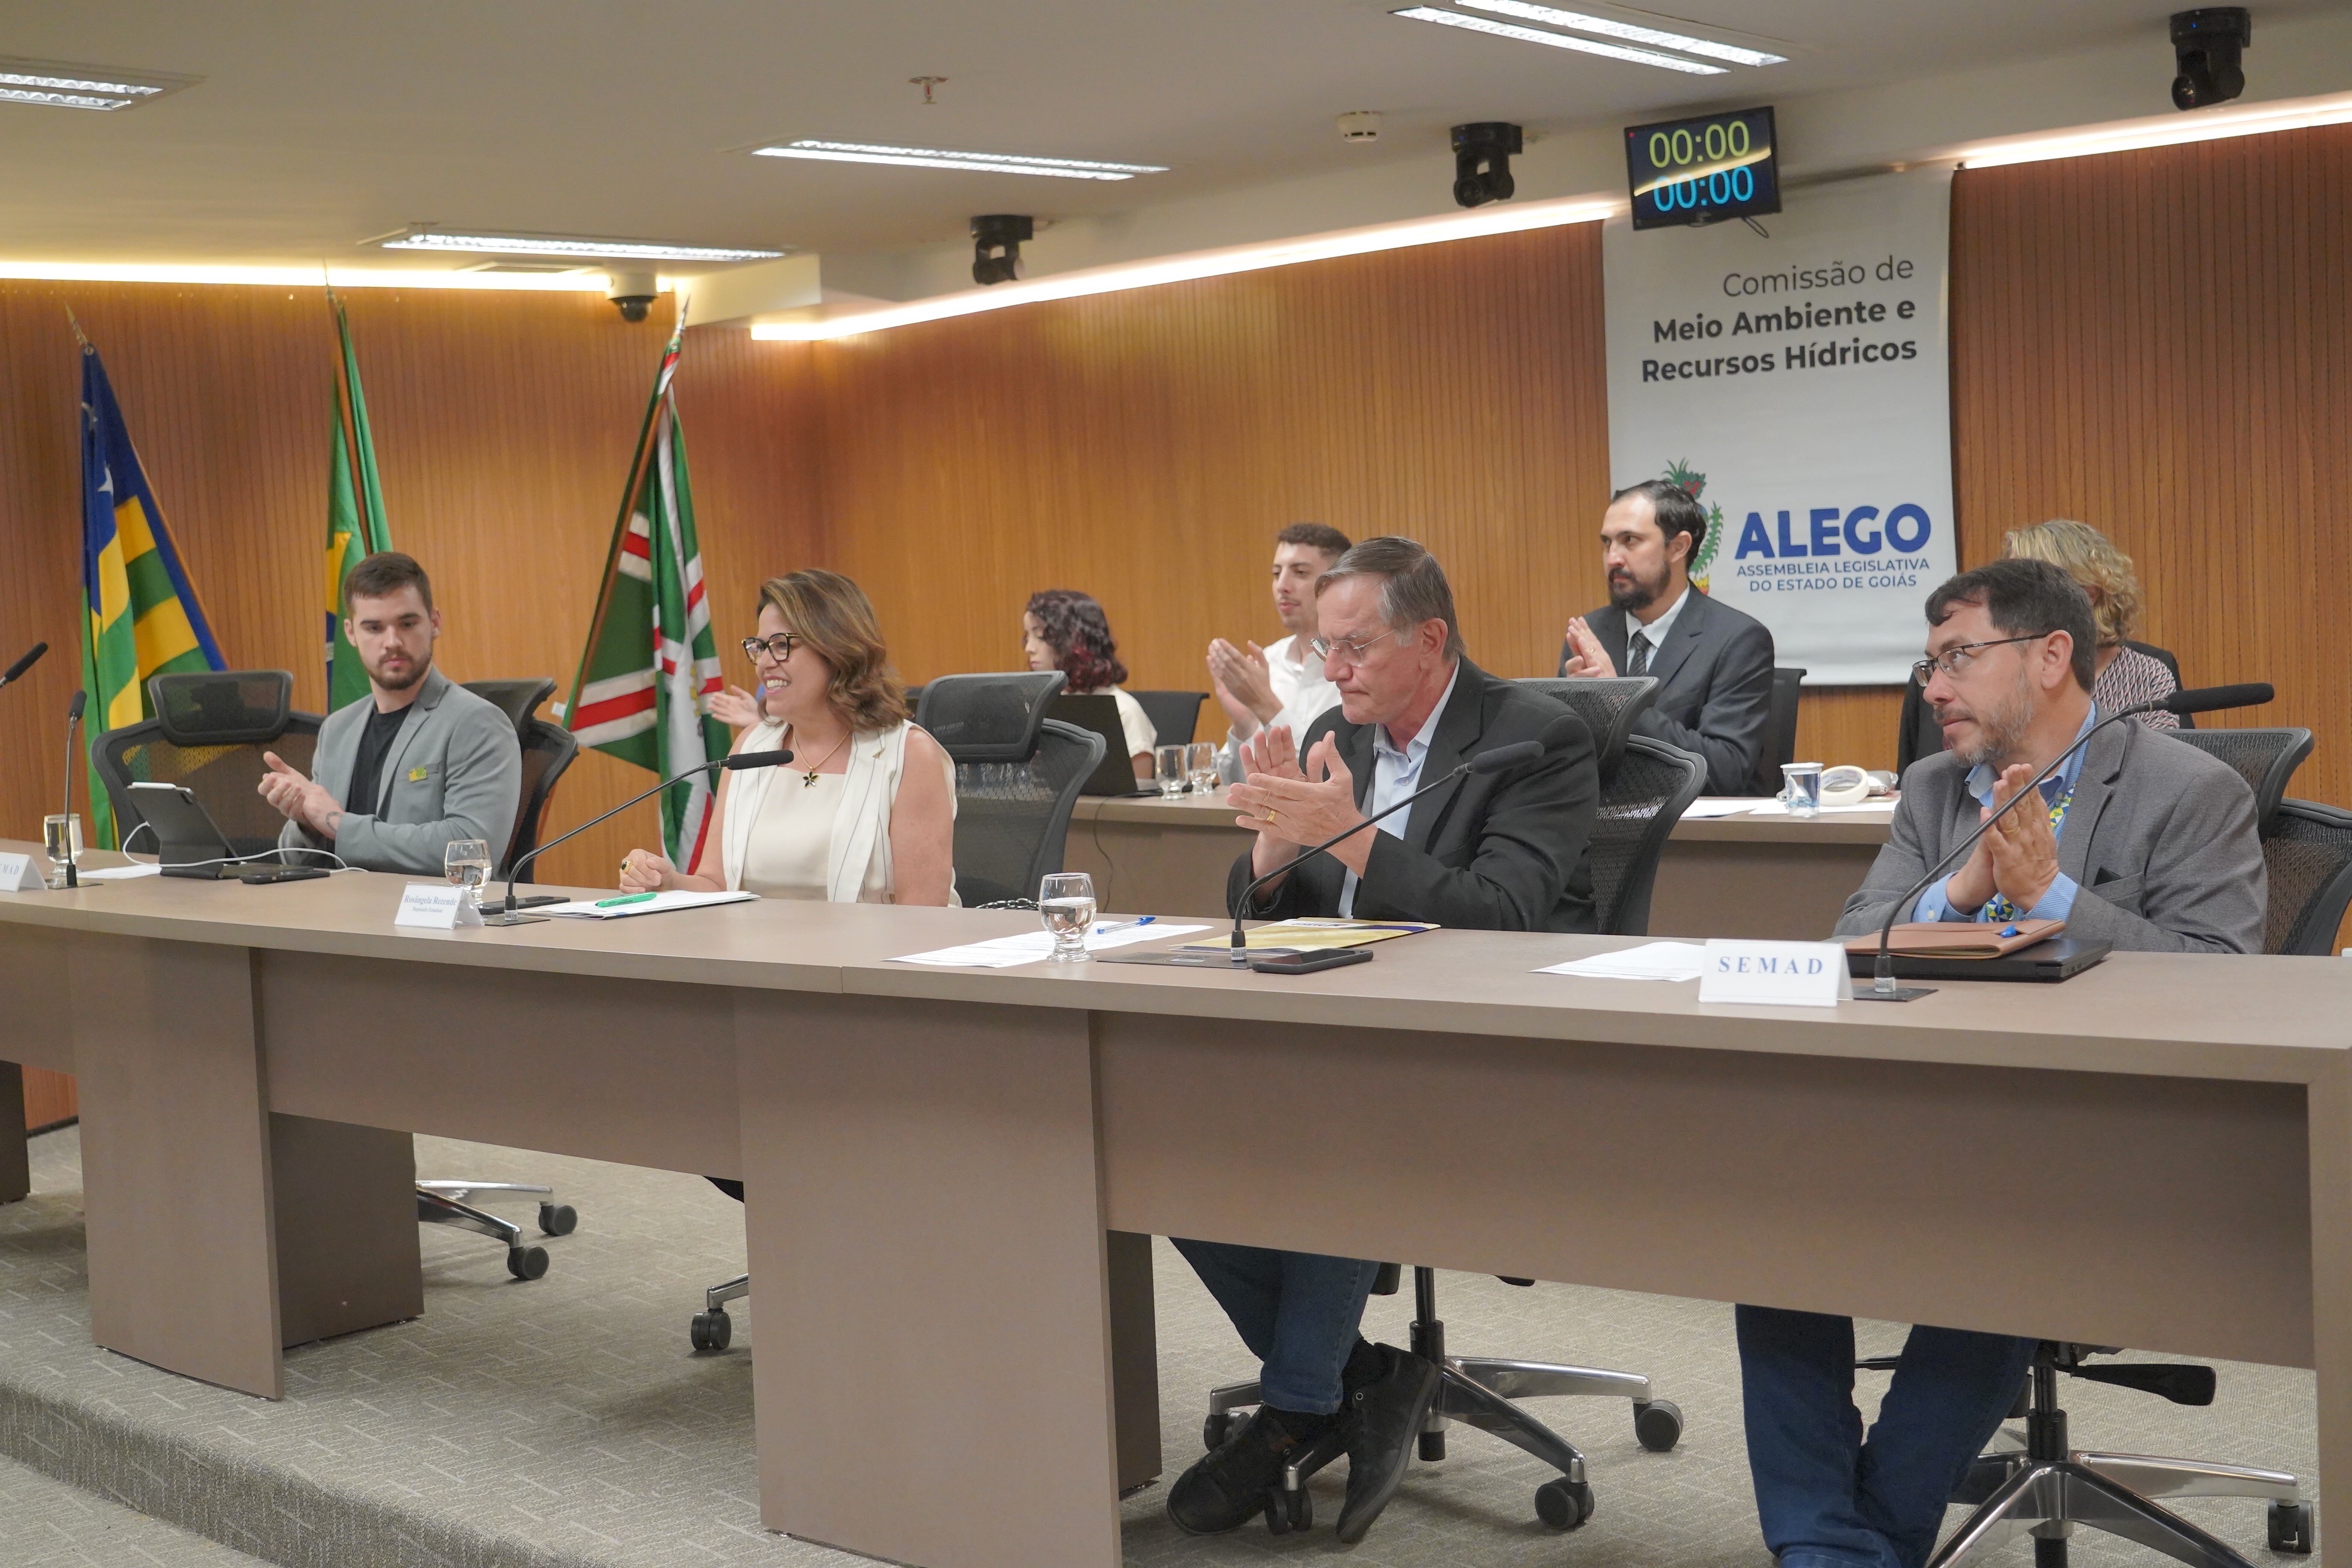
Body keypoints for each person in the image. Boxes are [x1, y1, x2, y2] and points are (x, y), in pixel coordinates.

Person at [1736, 557, 2263, 1568]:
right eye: (1929, 664)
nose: (1933, 688)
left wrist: (2051, 895)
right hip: (1929, 1107)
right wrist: (1963, 889)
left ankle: (1851, 1545)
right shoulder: (1937, 790)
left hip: (2108, 1131)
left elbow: (2229, 981)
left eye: (1958, 658)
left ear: (2051, 655)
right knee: (1771, 1212)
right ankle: (1825, 1539)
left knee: (2003, 1219)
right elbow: (1850, 938)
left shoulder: (2190, 790)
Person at [1167, 537, 1600, 1546]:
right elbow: (1266, 912)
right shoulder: (1339, 731)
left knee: (1344, 1108)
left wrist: (1351, 832)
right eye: (1326, 647)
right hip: (1334, 1032)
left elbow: (1502, 914)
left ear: (1430, 639)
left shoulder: (1534, 737)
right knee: (1163, 1125)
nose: (1333, 670)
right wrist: (1275, 853)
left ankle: (1298, 1408)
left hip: (1476, 1050)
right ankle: (1361, 1377)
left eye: (1355, 647)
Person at [618, 569, 955, 906]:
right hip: (756, 941)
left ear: (836, 648)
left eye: (781, 645)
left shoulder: (908, 755)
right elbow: (717, 885)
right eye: (760, 647)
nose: (764, 663)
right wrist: (666, 881)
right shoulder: (752, 746)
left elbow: (923, 915)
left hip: (867, 943)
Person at [260, 552, 521, 875]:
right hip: (343, 904)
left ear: (434, 623)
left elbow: (472, 851)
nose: (392, 642)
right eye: (374, 628)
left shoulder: (477, 723)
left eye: (407, 624)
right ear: (351, 633)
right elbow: (295, 861)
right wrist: (307, 822)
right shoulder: (337, 729)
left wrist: (338, 824)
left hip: (429, 907)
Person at [1558, 478, 1776, 794]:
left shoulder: (1738, 639)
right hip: (1603, 817)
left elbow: (1725, 769)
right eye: (1607, 543)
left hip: (1694, 823)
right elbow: (1562, 763)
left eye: (1630, 541)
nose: (1613, 558)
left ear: (1678, 547)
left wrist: (1619, 702)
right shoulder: (1590, 634)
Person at [1205, 522, 1350, 772]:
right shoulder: (1268, 660)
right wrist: (1245, 725)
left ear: (1337, 582)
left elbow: (1327, 774)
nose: (1282, 585)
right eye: (1276, 573)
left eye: (1300, 573)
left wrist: (1266, 706)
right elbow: (1232, 782)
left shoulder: (1353, 666)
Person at [1022, 589, 1154, 779]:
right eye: (1027, 637)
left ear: (1075, 641)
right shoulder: (1040, 706)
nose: (1029, 648)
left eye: (1041, 637)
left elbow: (1142, 791)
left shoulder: (1125, 711)